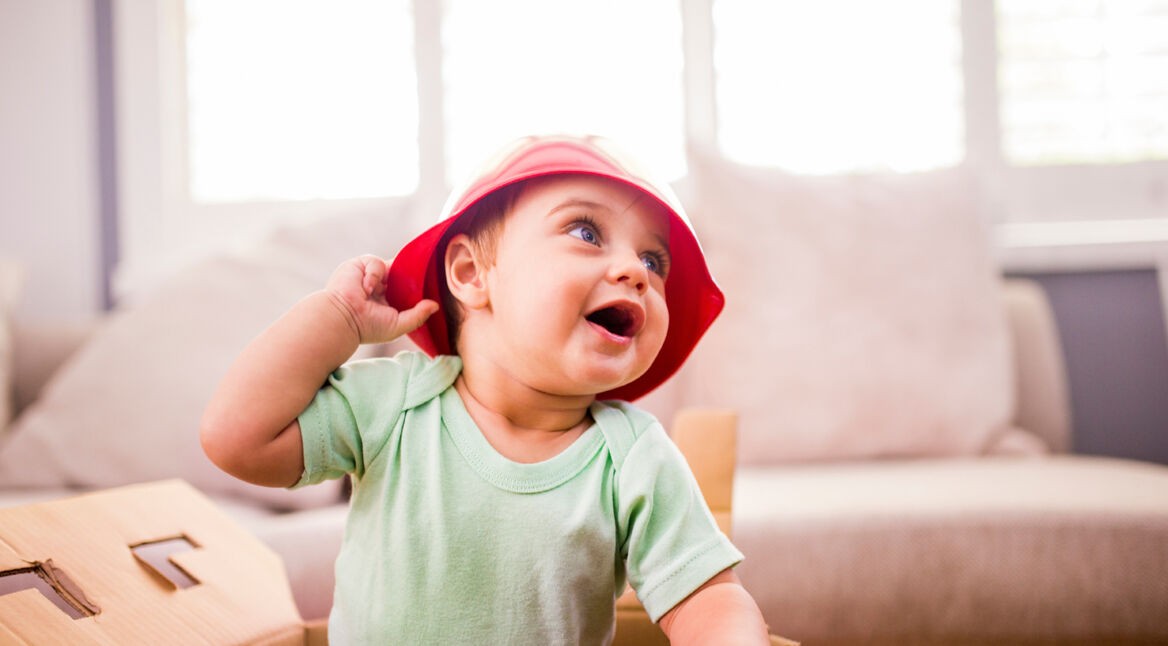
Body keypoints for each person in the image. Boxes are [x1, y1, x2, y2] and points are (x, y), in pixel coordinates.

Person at [201, 134, 770, 644]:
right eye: (587, 231)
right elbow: (237, 438)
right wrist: (336, 322)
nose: (636, 271)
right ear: (472, 275)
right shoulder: (396, 406)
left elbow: (709, 597)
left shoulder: (633, 458)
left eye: (654, 258)